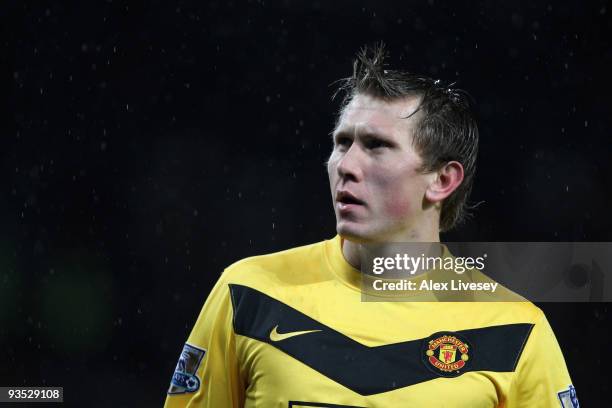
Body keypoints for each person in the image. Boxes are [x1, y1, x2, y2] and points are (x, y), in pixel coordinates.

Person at [164, 44, 578, 408]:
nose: (346, 166)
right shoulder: (249, 293)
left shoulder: (514, 331)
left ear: (442, 180)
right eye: (342, 143)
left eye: (377, 146)